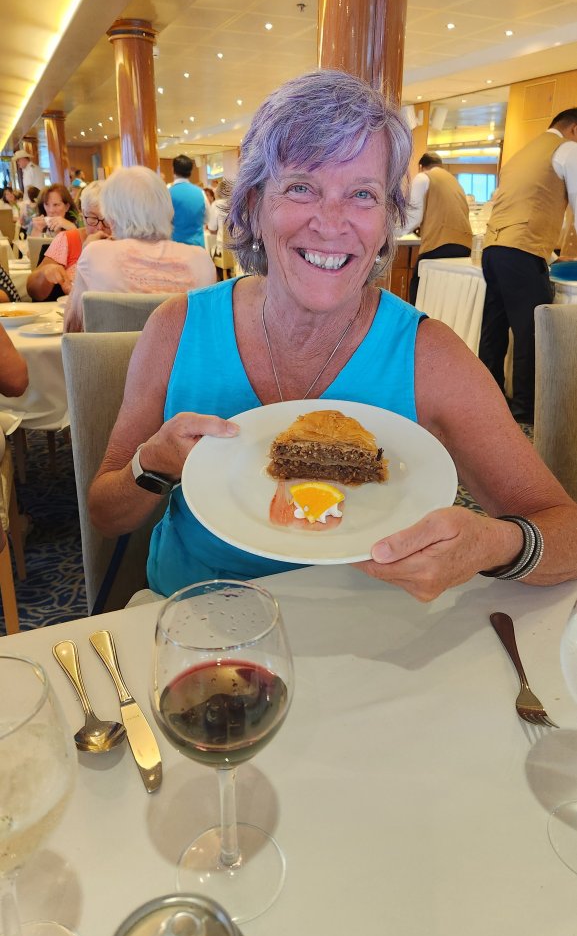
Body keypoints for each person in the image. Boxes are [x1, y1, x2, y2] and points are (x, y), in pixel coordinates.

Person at [88, 69, 577, 604]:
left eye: (363, 194)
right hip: (200, 622)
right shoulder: (177, 328)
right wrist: (152, 465)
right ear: (252, 205)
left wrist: (493, 544)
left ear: (387, 222)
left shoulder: (428, 355)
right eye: (301, 187)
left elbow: (565, 531)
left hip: (371, 633)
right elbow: (106, 515)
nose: (331, 222)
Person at [479, 108, 577, 425]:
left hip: (494, 248)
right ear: (574, 130)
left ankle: (488, 397)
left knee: (494, 329)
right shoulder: (567, 149)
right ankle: (525, 408)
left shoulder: (522, 154)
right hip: (521, 251)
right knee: (532, 331)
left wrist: (553, 254)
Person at [64, 166, 217, 332]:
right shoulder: (201, 260)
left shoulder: (95, 254)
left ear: (112, 216)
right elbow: (211, 330)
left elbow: (72, 330)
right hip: (184, 350)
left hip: (118, 350)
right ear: (168, 210)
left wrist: (82, 261)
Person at [402, 152, 472, 304]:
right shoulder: (454, 182)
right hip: (465, 248)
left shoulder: (423, 177)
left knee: (418, 291)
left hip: (439, 245)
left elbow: (413, 217)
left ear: (421, 166)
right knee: (445, 299)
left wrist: (392, 232)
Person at [27, 182, 109, 301]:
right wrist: (46, 272)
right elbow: (33, 291)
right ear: (83, 215)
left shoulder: (128, 241)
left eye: (107, 219)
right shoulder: (68, 239)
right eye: (92, 218)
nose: (100, 227)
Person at [169, 155, 208, 248]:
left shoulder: (168, 193)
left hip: (176, 246)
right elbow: (207, 218)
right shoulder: (201, 192)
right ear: (191, 171)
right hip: (198, 246)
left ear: (173, 170)